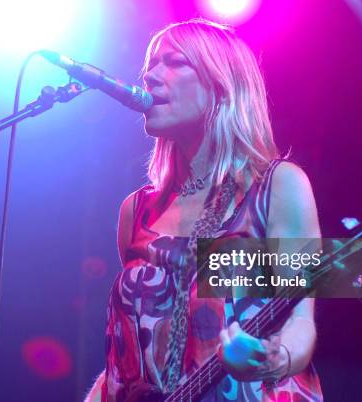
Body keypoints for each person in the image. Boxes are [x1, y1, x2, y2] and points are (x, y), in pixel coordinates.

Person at [85, 18, 323, 402]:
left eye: (175, 62)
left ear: (222, 86)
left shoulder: (277, 186)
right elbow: (127, 361)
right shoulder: (136, 210)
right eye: (152, 64)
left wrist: (273, 358)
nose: (151, 76)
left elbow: (300, 321)